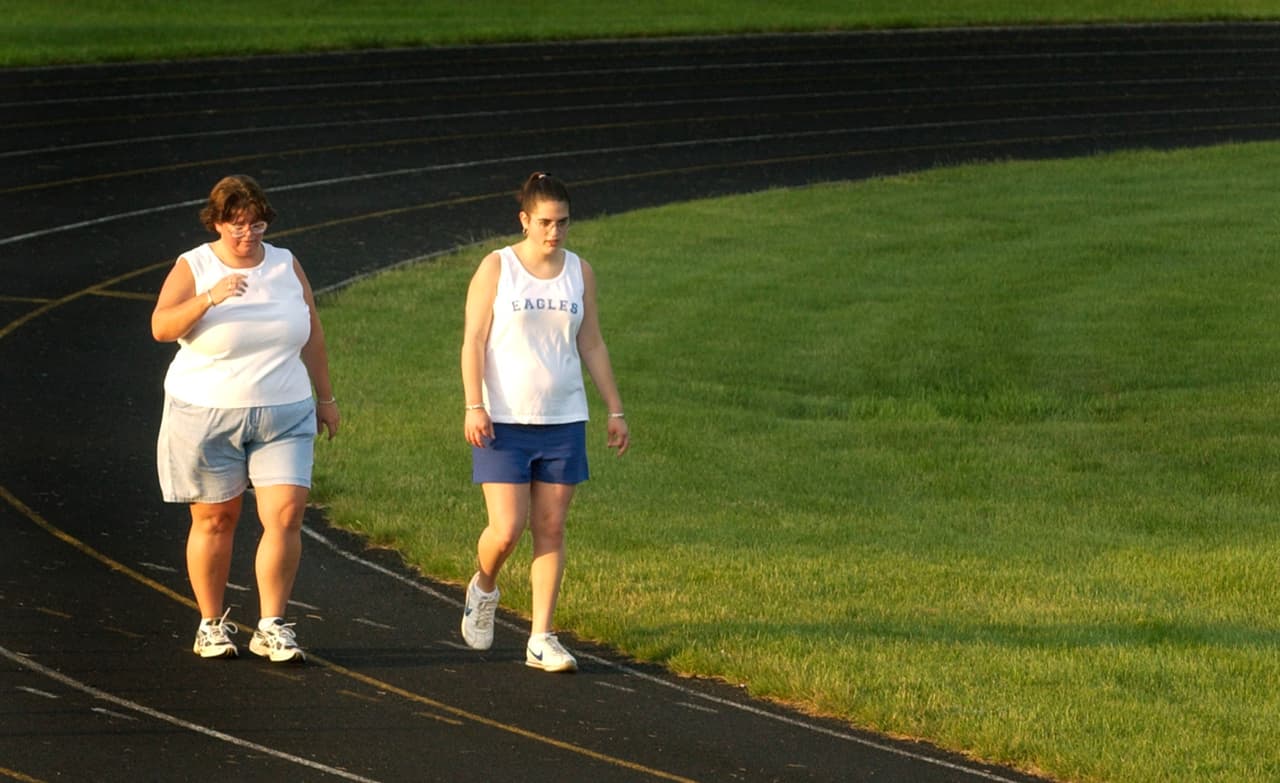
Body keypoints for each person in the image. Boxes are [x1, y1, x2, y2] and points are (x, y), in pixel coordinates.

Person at [151, 174, 339, 664]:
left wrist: (326, 397)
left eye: (255, 224)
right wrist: (210, 297)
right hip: (207, 412)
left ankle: (272, 624)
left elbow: (312, 330)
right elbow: (161, 327)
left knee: (285, 515)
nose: (247, 234)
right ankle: (211, 623)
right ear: (216, 223)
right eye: (236, 226)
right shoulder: (193, 265)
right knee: (217, 519)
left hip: (285, 410)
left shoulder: (285, 263)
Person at [459, 172, 630, 673]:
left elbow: (591, 342)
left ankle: (541, 636)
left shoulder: (580, 272)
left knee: (551, 527)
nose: (554, 233)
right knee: (508, 527)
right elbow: (472, 340)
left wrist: (614, 410)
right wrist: (474, 403)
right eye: (545, 223)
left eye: (563, 223)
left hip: (563, 417)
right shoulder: (497, 268)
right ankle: (484, 586)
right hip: (503, 420)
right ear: (524, 221)